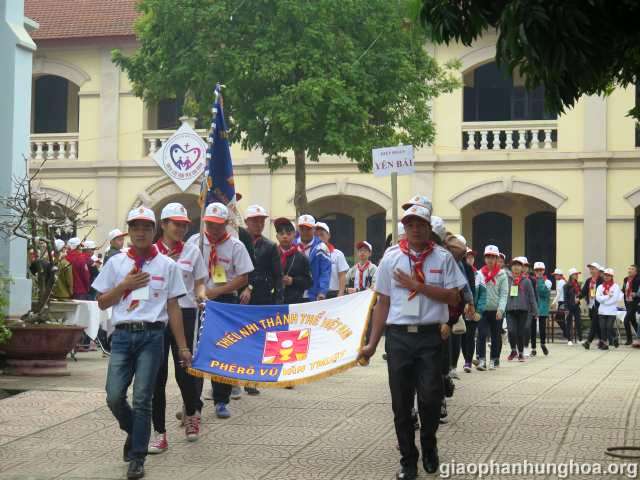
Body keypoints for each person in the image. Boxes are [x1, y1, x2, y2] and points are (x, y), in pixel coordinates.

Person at [358, 203, 467, 479]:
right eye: (410, 225)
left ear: (429, 228)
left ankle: (429, 444)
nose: (415, 229)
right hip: (398, 338)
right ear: (404, 229)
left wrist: (418, 287)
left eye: (420, 224)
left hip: (431, 337)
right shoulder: (391, 258)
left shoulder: (442, 258)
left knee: (431, 399)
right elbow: (382, 302)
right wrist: (372, 343)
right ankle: (408, 459)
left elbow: (454, 296)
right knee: (401, 403)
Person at [92, 206, 191, 480]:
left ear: (154, 230)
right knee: (113, 396)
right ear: (129, 230)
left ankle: (137, 457)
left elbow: (173, 307)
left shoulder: (167, 265)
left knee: (143, 397)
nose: (140, 232)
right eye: (135, 227)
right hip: (122, 336)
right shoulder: (116, 263)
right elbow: (102, 302)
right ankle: (135, 432)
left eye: (146, 227)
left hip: (152, 336)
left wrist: (182, 347)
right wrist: (124, 285)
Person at [149, 203, 208, 454]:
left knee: (185, 371)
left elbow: (199, 282)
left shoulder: (192, 251)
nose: (181, 228)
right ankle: (159, 432)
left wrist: (201, 297)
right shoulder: (150, 252)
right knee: (157, 375)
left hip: (185, 313)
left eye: (184, 224)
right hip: (156, 315)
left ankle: (192, 413)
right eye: (176, 223)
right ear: (163, 225)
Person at [186, 202, 254, 419]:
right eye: (210, 224)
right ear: (204, 221)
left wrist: (218, 291)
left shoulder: (236, 246)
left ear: (226, 223)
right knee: (195, 351)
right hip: (197, 301)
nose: (214, 229)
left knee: (222, 351)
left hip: (224, 302)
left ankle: (221, 399)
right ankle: (192, 403)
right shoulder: (194, 242)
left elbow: (243, 277)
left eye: (218, 225)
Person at [239, 204, 282, 396]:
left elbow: (277, 276)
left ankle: (252, 379)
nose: (258, 224)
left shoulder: (270, 246)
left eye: (262, 220)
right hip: (237, 297)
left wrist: (278, 304)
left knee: (257, 339)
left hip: (261, 299)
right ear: (246, 222)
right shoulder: (236, 241)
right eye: (254, 220)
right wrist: (243, 288)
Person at [476, 245, 508, 371]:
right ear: (485, 258)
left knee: (495, 336)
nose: (490, 259)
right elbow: (477, 292)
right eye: (488, 257)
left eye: (493, 257)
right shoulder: (479, 274)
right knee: (482, 334)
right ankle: (482, 360)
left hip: (496, 311)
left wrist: (501, 309)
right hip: (482, 310)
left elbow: (504, 294)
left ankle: (494, 359)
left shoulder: (502, 275)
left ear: (497, 259)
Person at [506, 257, 538, 362]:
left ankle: (520, 353)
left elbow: (532, 296)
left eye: (518, 265)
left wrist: (535, 311)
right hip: (510, 309)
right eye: (514, 265)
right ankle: (513, 350)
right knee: (511, 331)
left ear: (522, 268)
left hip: (523, 310)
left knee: (520, 332)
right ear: (511, 267)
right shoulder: (507, 279)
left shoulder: (526, 281)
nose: (516, 267)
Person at [273, 217, 312, 304]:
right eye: (281, 233)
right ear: (277, 236)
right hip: (273, 302)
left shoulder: (302, 258)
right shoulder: (271, 255)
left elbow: (309, 282)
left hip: (295, 303)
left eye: (288, 233)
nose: (285, 236)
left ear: (294, 235)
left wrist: (293, 281)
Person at [296, 214, 331, 301]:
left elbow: (325, 272)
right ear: (298, 229)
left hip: (314, 295)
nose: (305, 231)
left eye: (308, 228)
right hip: (294, 294)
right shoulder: (292, 245)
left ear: (314, 229)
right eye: (302, 228)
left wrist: (322, 291)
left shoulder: (321, 247)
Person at [315, 222, 349, 298]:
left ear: (329, 235)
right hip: (315, 294)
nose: (319, 238)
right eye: (317, 236)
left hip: (333, 294)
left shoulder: (337, 254)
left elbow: (342, 275)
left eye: (322, 235)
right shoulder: (311, 254)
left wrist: (340, 294)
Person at [596, 268, 623, 350]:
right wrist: (607, 296)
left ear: (612, 276)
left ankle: (615, 338)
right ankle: (604, 344)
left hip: (611, 310)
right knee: (602, 327)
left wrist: (604, 300)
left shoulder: (616, 286)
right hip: (602, 310)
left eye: (609, 275)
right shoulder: (600, 287)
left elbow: (614, 299)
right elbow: (598, 298)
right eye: (605, 275)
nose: (606, 277)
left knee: (609, 327)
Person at [581, 262, 604, 349]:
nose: (591, 270)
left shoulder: (601, 280)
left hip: (599, 305)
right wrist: (578, 298)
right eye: (590, 269)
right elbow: (583, 291)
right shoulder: (589, 280)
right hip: (591, 305)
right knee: (597, 325)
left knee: (594, 324)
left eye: (593, 269)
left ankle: (588, 341)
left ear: (598, 270)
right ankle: (602, 341)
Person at [531, 262, 551, 356]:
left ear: (543, 271)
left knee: (542, 328)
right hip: (533, 307)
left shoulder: (547, 281)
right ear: (534, 271)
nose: (539, 272)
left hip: (542, 307)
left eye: (541, 270)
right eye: (537, 270)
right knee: (532, 328)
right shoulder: (531, 280)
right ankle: (533, 348)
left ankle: (543, 344)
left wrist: (539, 281)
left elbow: (543, 292)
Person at [563, 268, 582, 345]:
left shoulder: (577, 284)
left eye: (577, 274)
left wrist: (579, 297)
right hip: (569, 306)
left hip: (576, 305)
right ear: (571, 275)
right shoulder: (567, 285)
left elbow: (580, 294)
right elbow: (565, 297)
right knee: (569, 323)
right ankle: (569, 340)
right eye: (575, 274)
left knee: (578, 322)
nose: (577, 276)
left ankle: (580, 339)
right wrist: (566, 308)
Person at [622, 265, 640, 345]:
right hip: (627, 302)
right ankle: (639, 337)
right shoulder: (626, 279)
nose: (630, 270)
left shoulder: (638, 279)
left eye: (632, 269)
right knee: (633, 321)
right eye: (629, 268)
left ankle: (629, 339)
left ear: (636, 272)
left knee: (626, 321)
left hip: (634, 303)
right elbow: (623, 289)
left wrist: (635, 294)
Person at [552, 268, 567, 338]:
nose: (554, 276)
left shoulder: (560, 282)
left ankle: (566, 333)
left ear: (559, 275)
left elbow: (558, 294)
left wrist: (553, 302)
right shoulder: (563, 281)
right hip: (563, 302)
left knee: (558, 318)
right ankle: (566, 333)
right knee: (561, 319)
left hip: (562, 302)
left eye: (555, 275)